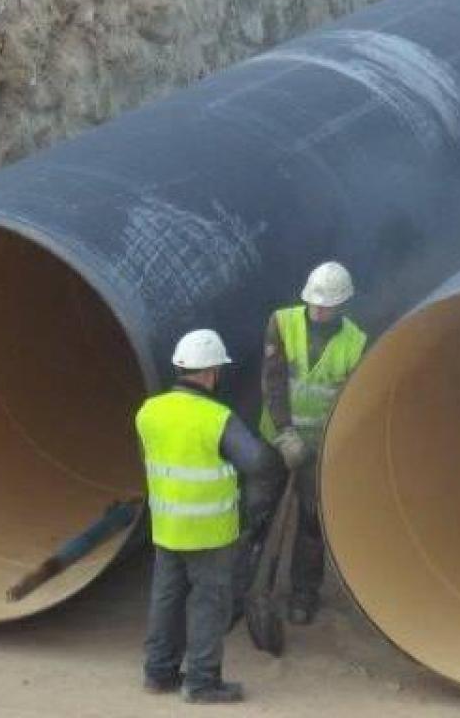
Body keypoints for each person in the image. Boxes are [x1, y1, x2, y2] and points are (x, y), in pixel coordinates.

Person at [136, 329, 281, 705]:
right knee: (209, 605)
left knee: (166, 599)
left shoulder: (149, 411)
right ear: (212, 371)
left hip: (167, 528)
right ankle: (201, 683)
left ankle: (159, 673)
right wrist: (280, 451)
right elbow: (256, 462)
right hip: (209, 533)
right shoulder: (216, 418)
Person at [259, 261, 368, 625]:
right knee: (257, 512)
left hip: (318, 447)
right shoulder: (282, 322)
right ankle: (246, 588)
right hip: (276, 438)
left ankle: (303, 594)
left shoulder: (355, 342)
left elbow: (350, 398)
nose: (319, 310)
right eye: (315, 303)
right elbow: (273, 382)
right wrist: (285, 433)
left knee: (310, 522)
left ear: (342, 305)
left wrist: (328, 445)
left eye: (328, 305)